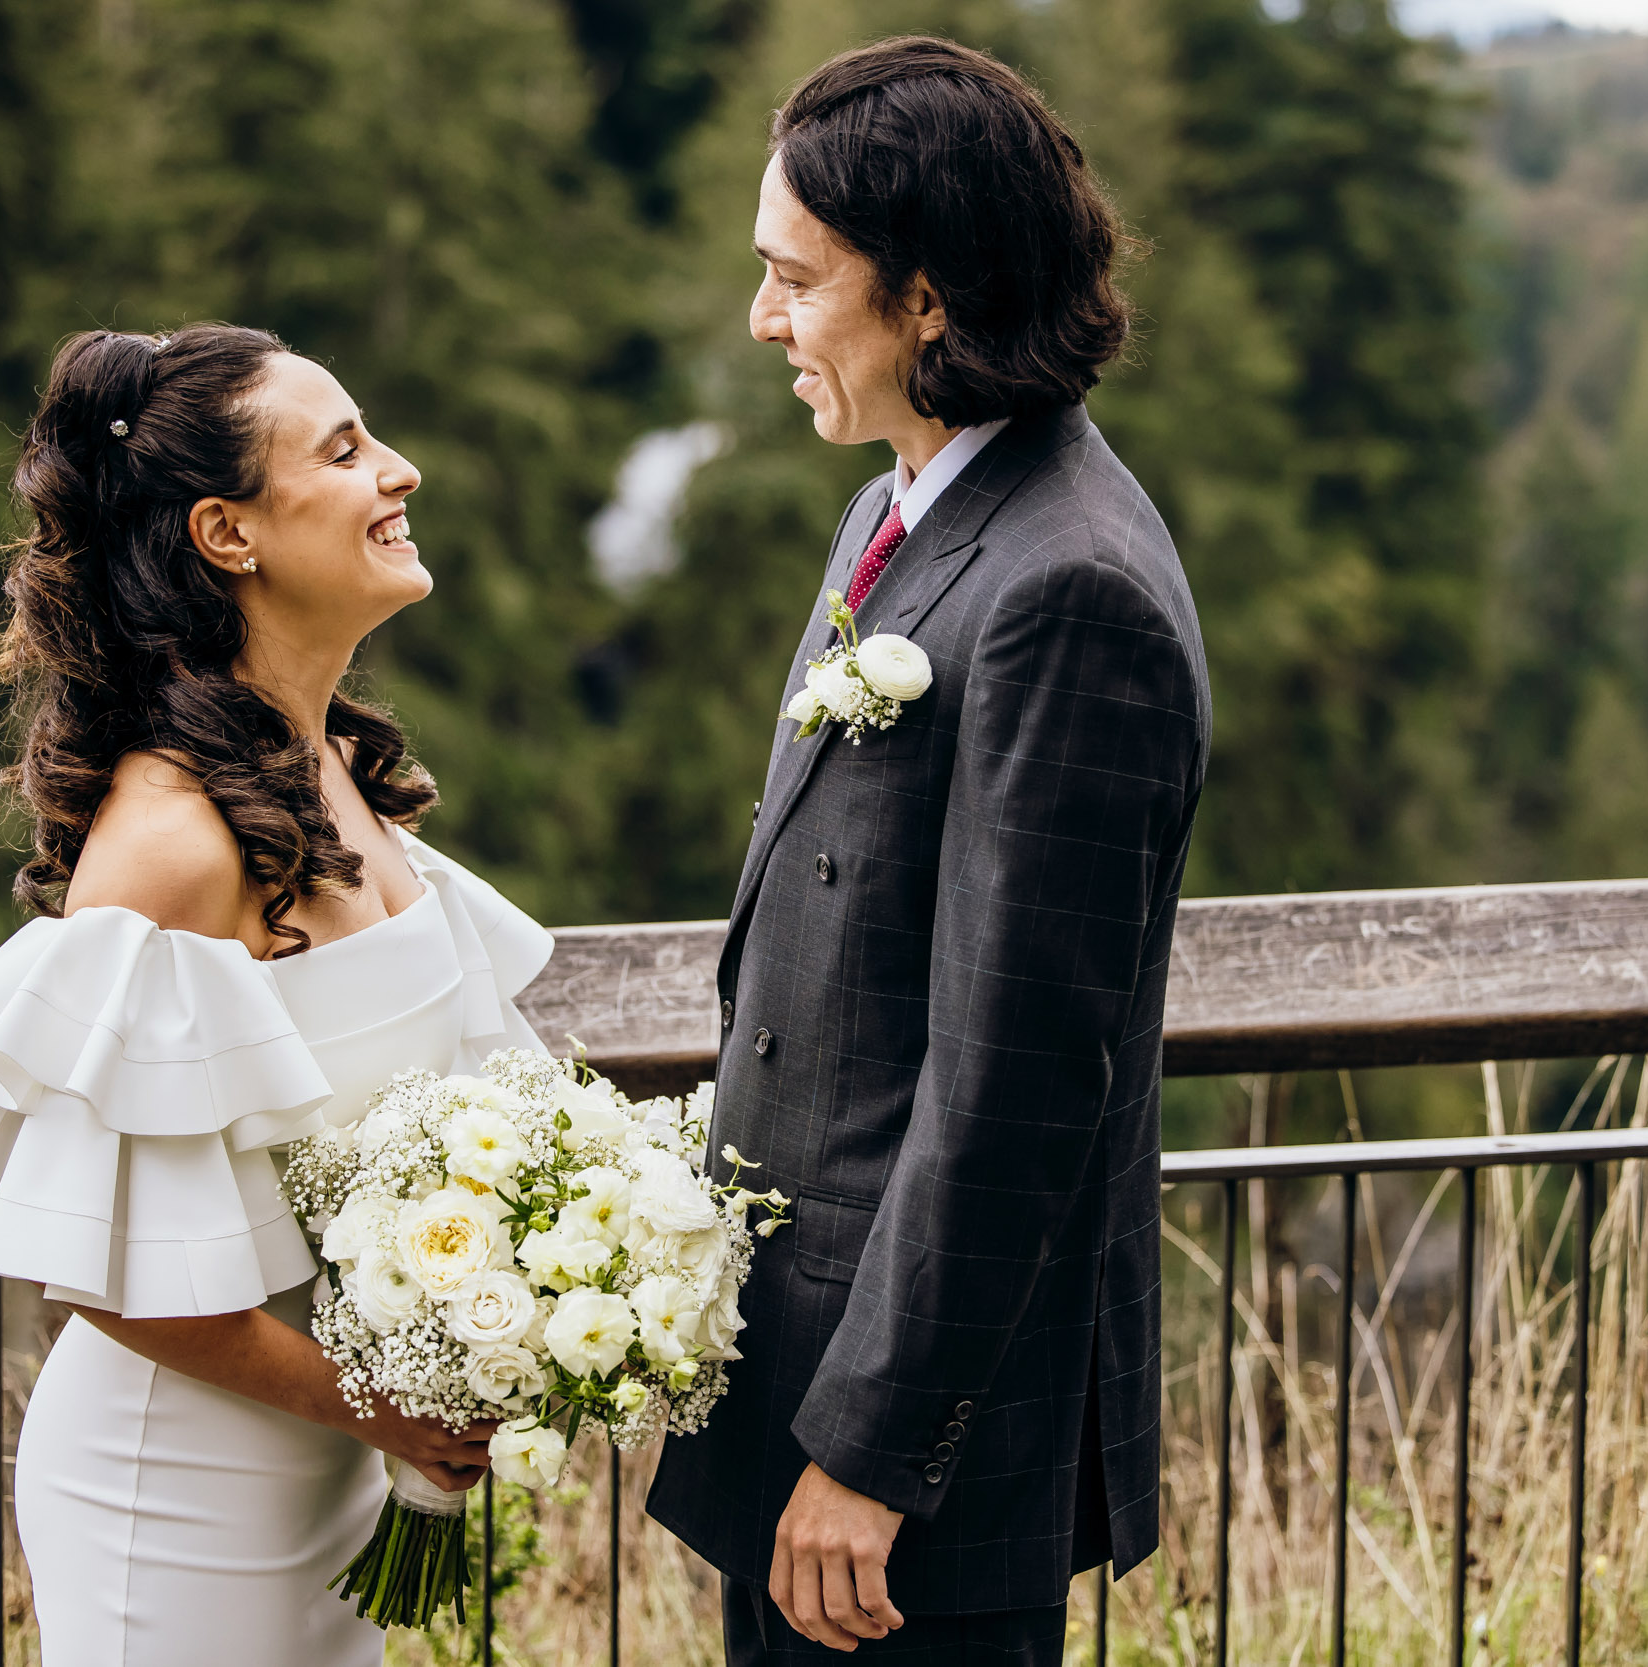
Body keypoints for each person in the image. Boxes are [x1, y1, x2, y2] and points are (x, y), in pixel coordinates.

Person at [646, 37, 1211, 1666]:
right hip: (804, 1377)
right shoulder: (906, 504)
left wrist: (873, 1452)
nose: (764, 321)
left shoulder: (1067, 590)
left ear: (929, 300)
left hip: (908, 1470)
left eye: (795, 281)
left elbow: (1018, 1083)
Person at [0, 325, 554, 1666]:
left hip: (324, 1466)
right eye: (347, 450)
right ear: (227, 534)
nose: (401, 472)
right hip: (176, 1496)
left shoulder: (336, 778)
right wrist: (384, 1406)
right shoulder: (171, 846)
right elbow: (116, 1281)